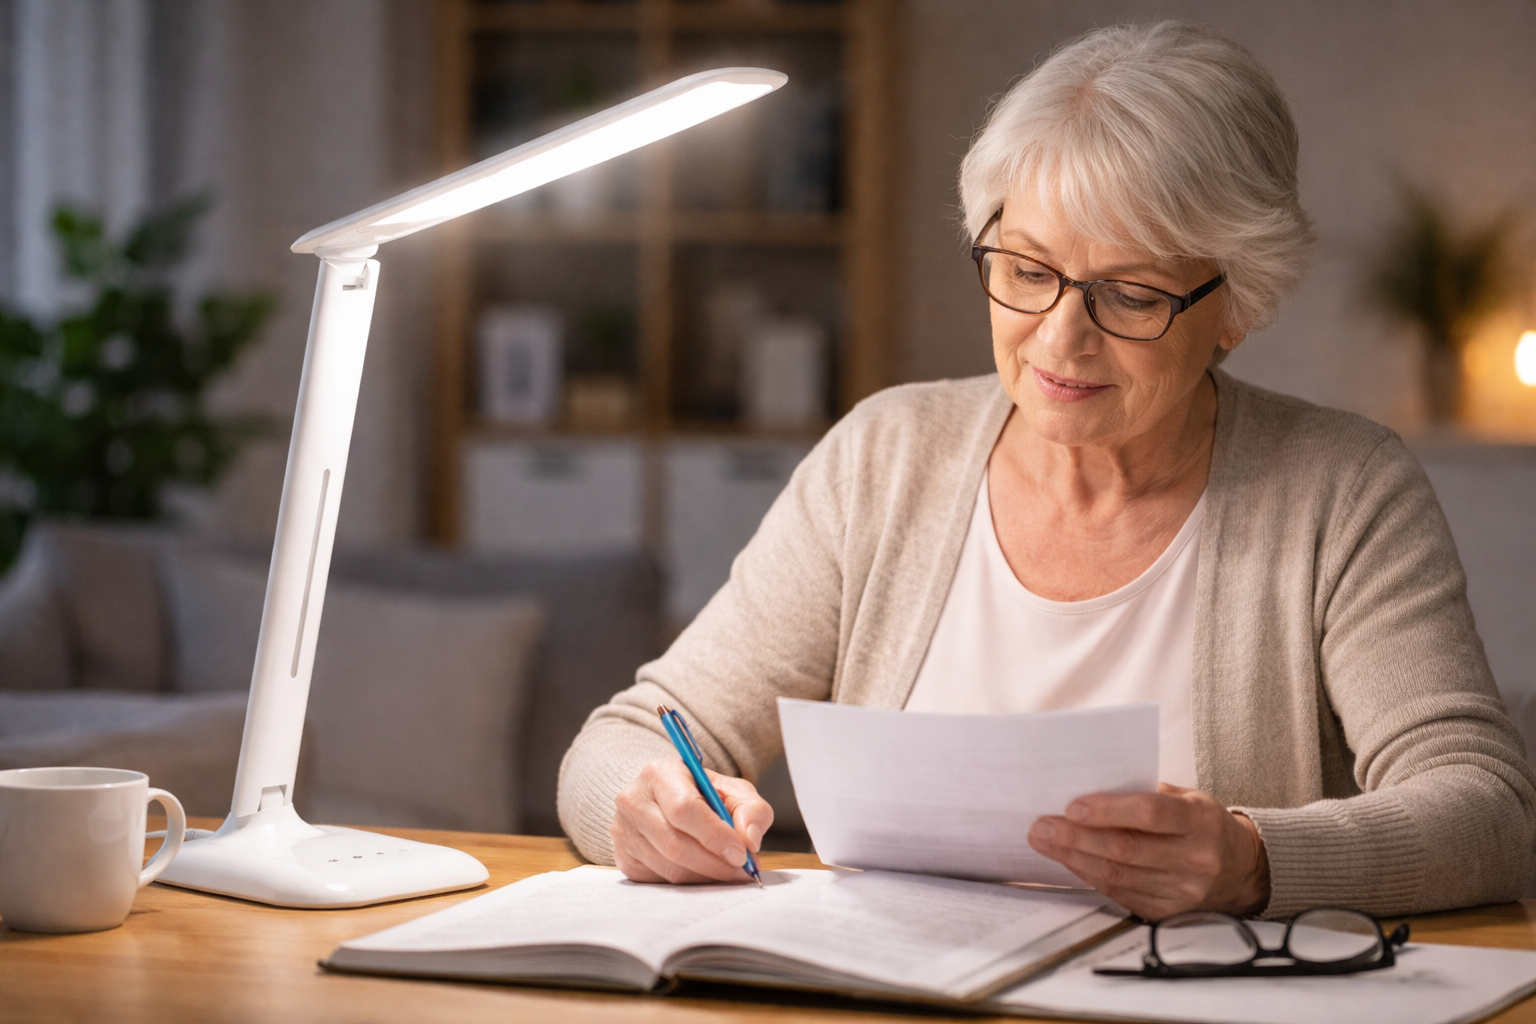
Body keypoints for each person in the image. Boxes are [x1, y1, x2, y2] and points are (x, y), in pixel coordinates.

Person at [558, 21, 1536, 921]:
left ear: (1234, 303)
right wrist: (644, 806)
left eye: (1132, 293)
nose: (1061, 339)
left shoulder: (1343, 491)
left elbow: (1486, 809)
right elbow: (628, 737)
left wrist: (1253, 858)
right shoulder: (884, 456)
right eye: (1027, 271)